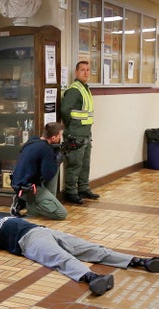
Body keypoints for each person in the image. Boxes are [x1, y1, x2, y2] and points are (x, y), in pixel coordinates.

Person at [0, 217, 159, 296]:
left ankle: (142, 262)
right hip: (29, 241)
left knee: (93, 249)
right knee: (61, 259)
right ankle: (92, 279)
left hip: (43, 230)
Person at [9, 122, 68, 220]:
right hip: (29, 189)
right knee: (62, 214)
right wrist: (57, 161)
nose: (60, 139)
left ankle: (29, 202)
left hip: (18, 183)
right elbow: (48, 175)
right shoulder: (46, 149)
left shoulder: (32, 141)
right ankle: (31, 206)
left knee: (52, 168)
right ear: (53, 138)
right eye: (59, 136)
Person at [60, 60, 99, 204]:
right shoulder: (75, 89)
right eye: (82, 70)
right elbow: (65, 110)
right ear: (76, 72)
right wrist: (72, 125)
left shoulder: (85, 88)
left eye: (88, 70)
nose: (86, 72)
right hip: (75, 134)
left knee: (84, 164)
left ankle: (83, 188)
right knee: (74, 164)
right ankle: (70, 192)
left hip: (86, 133)